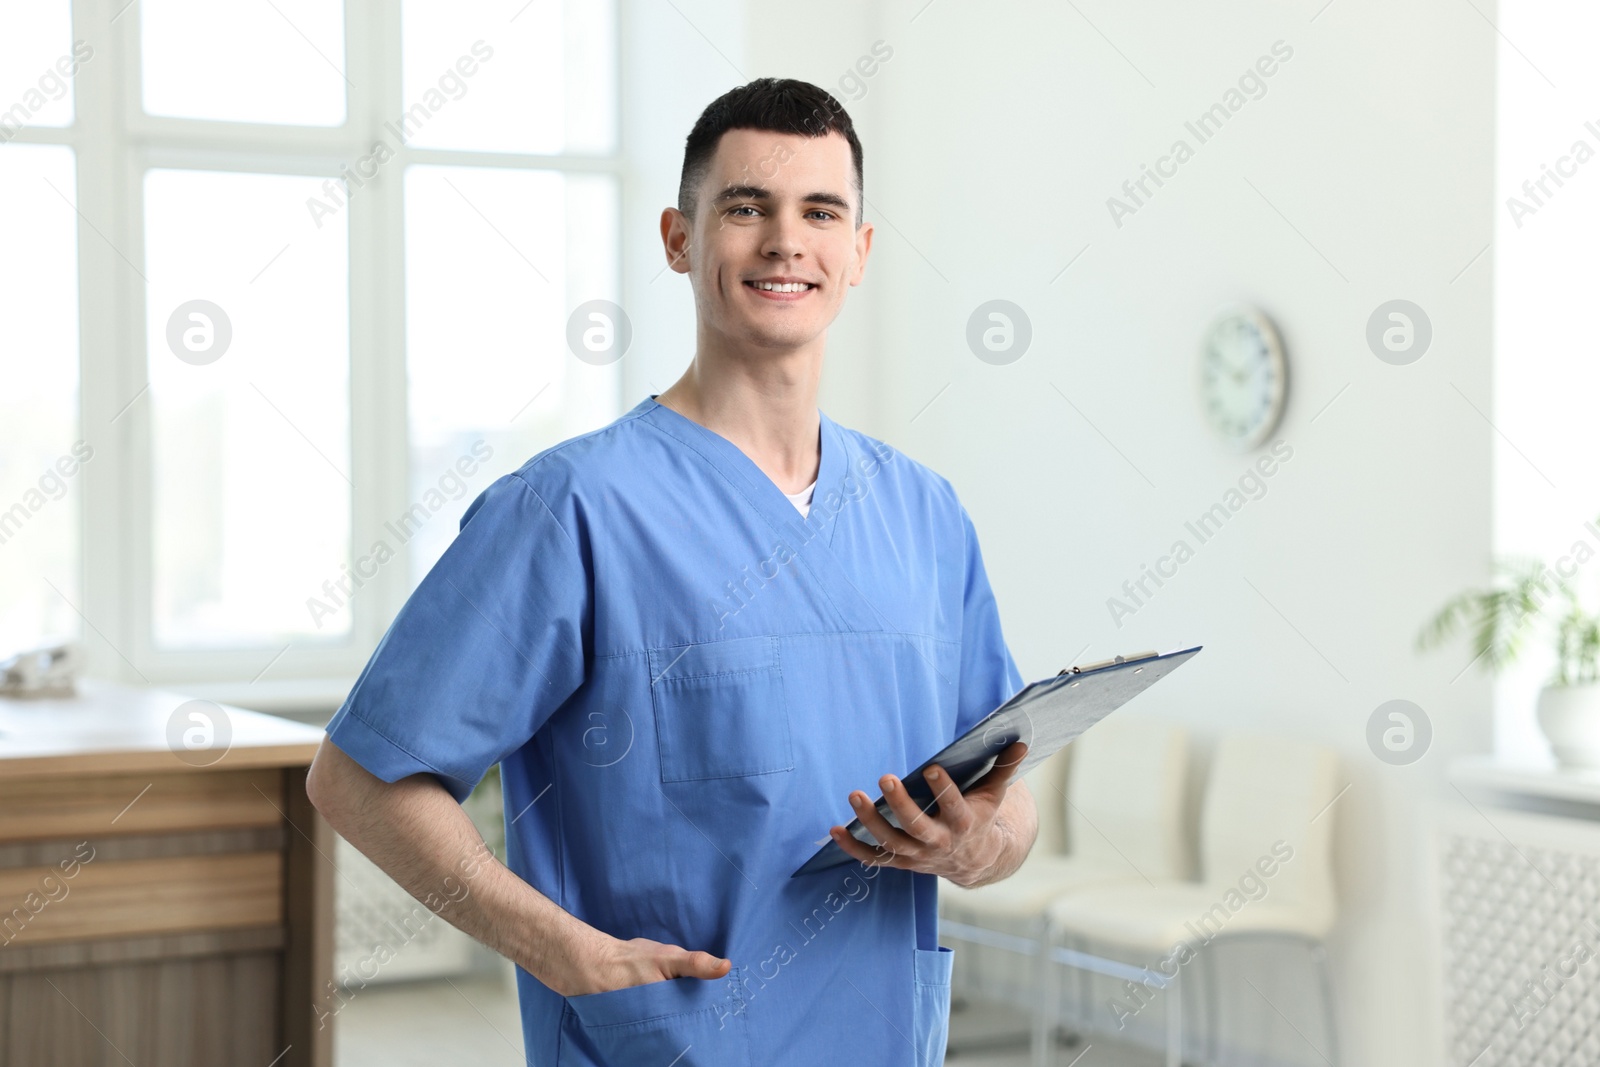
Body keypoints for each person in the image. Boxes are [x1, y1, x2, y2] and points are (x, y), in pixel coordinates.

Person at [307, 76, 1037, 1066]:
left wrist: (969, 845)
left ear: (859, 250)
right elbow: (358, 778)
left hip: (880, 1034)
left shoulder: (924, 514)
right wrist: (556, 948)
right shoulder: (570, 508)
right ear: (678, 238)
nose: (786, 240)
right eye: (746, 208)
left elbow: (1009, 800)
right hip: (667, 1042)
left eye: (820, 211)